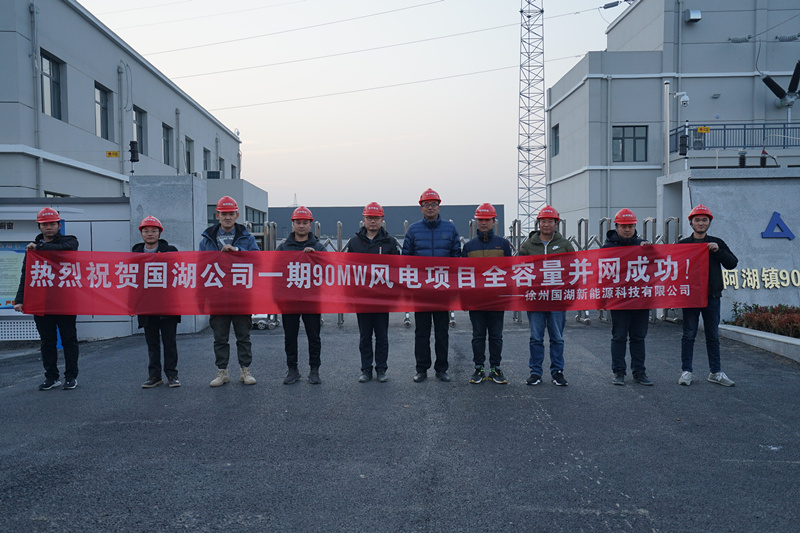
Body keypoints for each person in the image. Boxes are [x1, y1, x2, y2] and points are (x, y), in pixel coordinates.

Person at [13, 207, 80, 390]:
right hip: (41, 302)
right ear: (39, 226)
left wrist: (40, 247)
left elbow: (66, 249)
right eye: (44, 224)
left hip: (65, 301)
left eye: (52, 224)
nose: (49, 227)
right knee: (47, 341)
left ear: (59, 225)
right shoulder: (32, 250)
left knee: (69, 340)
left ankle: (71, 377)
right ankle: (51, 377)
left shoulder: (69, 241)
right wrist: (20, 300)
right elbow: (26, 276)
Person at [402, 188, 462, 383]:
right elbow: (406, 258)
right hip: (422, 291)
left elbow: (456, 256)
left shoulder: (450, 229)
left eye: (433, 204)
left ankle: (441, 369)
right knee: (422, 332)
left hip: (443, 289)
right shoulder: (413, 230)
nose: (430, 207)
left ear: (439, 207)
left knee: (442, 332)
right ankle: (421, 369)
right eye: (426, 204)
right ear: (421, 208)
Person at [199, 196, 260, 387]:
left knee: (243, 335)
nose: (227, 217)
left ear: (237, 215)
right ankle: (222, 372)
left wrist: (238, 250)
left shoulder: (247, 237)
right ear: (217, 215)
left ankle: (245, 370)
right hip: (217, 294)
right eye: (224, 214)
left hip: (241, 294)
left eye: (231, 214)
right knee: (220, 337)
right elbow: (201, 265)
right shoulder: (207, 238)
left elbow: (258, 260)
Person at [678, 204, 739, 387]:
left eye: (704, 220)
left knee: (713, 335)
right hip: (690, 296)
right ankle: (686, 371)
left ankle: (715, 371)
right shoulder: (683, 245)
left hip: (712, 296)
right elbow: (670, 265)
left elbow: (732, 263)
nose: (701, 223)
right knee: (689, 335)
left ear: (709, 222)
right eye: (697, 220)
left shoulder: (716, 243)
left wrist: (718, 251)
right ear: (691, 223)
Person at [343, 202, 401, 383]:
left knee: (382, 336)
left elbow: (397, 269)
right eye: (369, 218)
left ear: (382, 219)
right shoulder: (354, 242)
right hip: (362, 298)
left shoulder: (390, 242)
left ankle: (381, 369)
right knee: (365, 336)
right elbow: (347, 270)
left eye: (376, 218)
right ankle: (366, 369)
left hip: (382, 298)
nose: (373, 221)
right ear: (364, 219)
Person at [519, 205, 575, 386]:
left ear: (556, 223)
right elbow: (519, 271)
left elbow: (574, 270)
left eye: (550, 221)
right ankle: (535, 372)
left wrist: (570, 295)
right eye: (543, 221)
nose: (546, 224)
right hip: (535, 300)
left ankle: (557, 372)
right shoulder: (528, 245)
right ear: (539, 223)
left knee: (557, 338)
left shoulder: (565, 245)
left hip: (557, 299)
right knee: (536, 338)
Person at [602, 208, 653, 386]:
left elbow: (659, 266)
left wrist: (650, 250)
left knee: (638, 338)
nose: (627, 229)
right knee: (619, 337)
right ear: (616, 227)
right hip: (619, 301)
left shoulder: (643, 245)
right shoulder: (607, 248)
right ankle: (619, 372)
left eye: (630, 226)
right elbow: (600, 275)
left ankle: (639, 372)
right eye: (623, 226)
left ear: (635, 227)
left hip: (640, 300)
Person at [462, 203, 512, 385]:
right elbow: (463, 275)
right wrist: (465, 299)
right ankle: (479, 368)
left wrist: (507, 296)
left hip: (497, 299)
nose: (483, 223)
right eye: (480, 220)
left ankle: (496, 368)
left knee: (496, 336)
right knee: (478, 336)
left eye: (487, 220)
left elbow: (509, 272)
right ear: (476, 221)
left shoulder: (503, 244)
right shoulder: (469, 247)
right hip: (476, 300)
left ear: (493, 221)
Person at [277, 206, 326, 385]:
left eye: (305, 223)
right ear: (293, 223)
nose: (301, 226)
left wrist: (316, 257)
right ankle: (292, 370)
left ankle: (314, 370)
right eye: (298, 222)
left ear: (310, 225)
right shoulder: (283, 247)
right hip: (289, 299)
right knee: (290, 337)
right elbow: (275, 272)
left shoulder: (318, 247)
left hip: (311, 299)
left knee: (314, 337)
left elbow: (329, 270)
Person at [133, 216, 182, 388]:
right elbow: (132, 281)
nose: (150, 234)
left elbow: (179, 273)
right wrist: (132, 305)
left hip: (167, 305)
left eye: (154, 231)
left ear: (159, 233)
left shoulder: (170, 251)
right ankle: (154, 376)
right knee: (152, 344)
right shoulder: (135, 253)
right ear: (141, 234)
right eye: (146, 231)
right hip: (146, 306)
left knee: (170, 342)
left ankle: (172, 375)